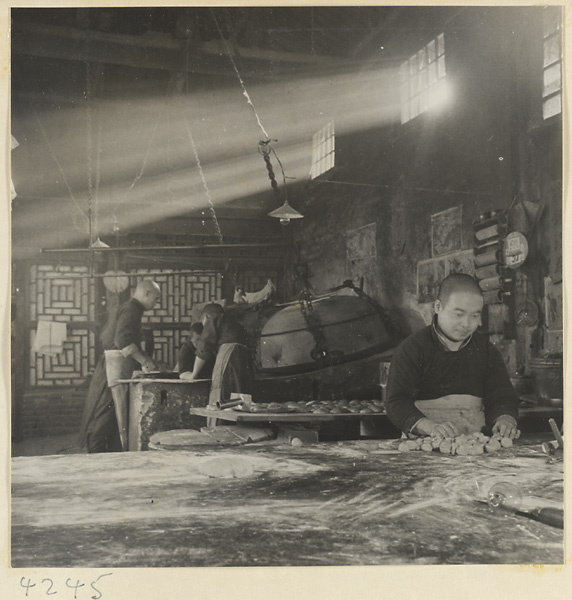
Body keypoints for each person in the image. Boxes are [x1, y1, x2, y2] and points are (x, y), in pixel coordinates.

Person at [386, 273, 519, 439]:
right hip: (423, 446)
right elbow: (396, 403)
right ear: (438, 307)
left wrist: (505, 418)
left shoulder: (486, 351)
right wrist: (429, 427)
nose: (467, 323)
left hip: (475, 447)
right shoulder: (411, 349)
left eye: (475, 315)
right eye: (459, 314)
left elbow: (502, 397)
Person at [78, 279, 162, 452]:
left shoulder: (130, 309)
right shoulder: (131, 309)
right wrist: (145, 362)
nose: (156, 303)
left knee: (114, 420)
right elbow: (123, 341)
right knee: (102, 422)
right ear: (146, 294)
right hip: (112, 370)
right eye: (155, 299)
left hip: (115, 368)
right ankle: (98, 465)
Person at [180, 303, 254, 408]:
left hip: (229, 355)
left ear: (205, 317)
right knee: (240, 397)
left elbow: (205, 346)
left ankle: (221, 424)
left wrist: (193, 374)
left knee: (222, 395)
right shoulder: (235, 325)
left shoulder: (212, 317)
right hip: (245, 360)